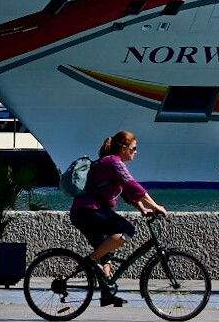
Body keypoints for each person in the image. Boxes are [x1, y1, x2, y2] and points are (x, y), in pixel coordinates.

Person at [69, 130, 168, 306]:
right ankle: (90, 261)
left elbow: (128, 193)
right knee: (127, 230)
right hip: (89, 211)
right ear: (123, 148)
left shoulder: (110, 163)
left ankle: (106, 294)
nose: (136, 151)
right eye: (134, 148)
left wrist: (143, 209)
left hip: (86, 212)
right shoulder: (113, 162)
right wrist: (156, 206)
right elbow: (132, 184)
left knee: (105, 251)